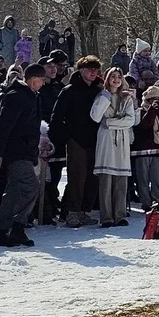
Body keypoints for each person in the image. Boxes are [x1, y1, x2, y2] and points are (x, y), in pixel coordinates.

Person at [0, 63, 47, 248]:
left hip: (25, 150)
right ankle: (16, 226)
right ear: (33, 79)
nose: (43, 83)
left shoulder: (31, 96)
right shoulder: (16, 96)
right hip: (16, 151)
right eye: (42, 80)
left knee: (15, 190)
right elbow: (3, 126)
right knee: (31, 186)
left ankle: (4, 231)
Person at [49, 56, 104, 227]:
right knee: (76, 177)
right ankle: (71, 212)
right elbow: (56, 117)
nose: (93, 72)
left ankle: (83, 211)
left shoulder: (99, 91)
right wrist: (67, 137)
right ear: (81, 70)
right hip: (76, 140)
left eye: (95, 69)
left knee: (93, 177)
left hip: (95, 139)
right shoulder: (69, 90)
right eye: (89, 69)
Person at [90, 67, 136, 228]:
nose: (116, 80)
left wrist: (110, 122)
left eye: (119, 77)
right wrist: (106, 97)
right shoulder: (102, 96)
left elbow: (130, 120)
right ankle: (106, 217)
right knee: (106, 180)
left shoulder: (126, 98)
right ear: (107, 79)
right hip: (106, 142)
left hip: (121, 141)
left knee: (121, 180)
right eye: (113, 76)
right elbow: (96, 117)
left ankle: (120, 215)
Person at [132, 86, 159, 213]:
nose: (156, 102)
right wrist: (152, 110)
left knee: (157, 179)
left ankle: (156, 202)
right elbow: (144, 125)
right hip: (143, 150)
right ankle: (146, 203)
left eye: (158, 99)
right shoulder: (140, 112)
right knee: (143, 179)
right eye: (153, 99)